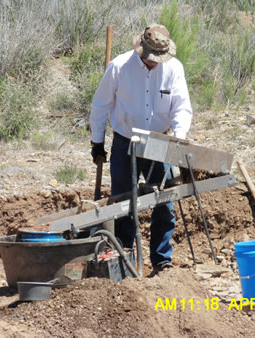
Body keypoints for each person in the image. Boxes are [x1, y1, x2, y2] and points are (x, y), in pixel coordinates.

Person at [89, 24, 193, 272]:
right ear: (141, 49)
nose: (153, 63)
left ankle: (161, 260)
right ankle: (124, 261)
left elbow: (181, 108)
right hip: (125, 142)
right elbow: (100, 106)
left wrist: (178, 141)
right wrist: (98, 142)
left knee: (164, 202)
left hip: (160, 142)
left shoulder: (174, 69)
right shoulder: (119, 67)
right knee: (123, 203)